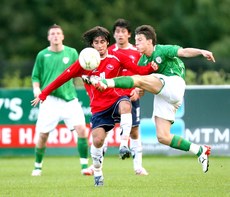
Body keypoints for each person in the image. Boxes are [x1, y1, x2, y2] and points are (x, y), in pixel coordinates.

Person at [30, 26, 155, 186]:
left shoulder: (117, 57)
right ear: (92, 45)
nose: (100, 45)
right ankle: (97, 171)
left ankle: (124, 144)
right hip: (99, 108)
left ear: (107, 43)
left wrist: (151, 68)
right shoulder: (84, 62)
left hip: (116, 99)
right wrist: (43, 93)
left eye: (103, 42)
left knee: (126, 104)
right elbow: (62, 77)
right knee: (97, 141)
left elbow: (137, 70)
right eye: (96, 42)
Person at [92, 25, 215, 173]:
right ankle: (200, 150)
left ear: (149, 41)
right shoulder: (143, 62)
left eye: (139, 40)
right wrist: (137, 91)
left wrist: (201, 51)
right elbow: (142, 85)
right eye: (136, 40)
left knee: (139, 78)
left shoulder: (161, 50)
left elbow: (184, 51)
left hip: (174, 84)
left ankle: (106, 83)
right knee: (163, 137)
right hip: (164, 95)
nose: (136, 43)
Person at [31, 24, 92, 176]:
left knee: (82, 130)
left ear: (63, 36)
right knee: (43, 135)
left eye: (58, 33)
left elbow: (81, 70)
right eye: (52, 33)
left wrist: (89, 79)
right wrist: (36, 90)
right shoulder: (42, 55)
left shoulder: (72, 52)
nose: (56, 36)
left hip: (69, 99)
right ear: (48, 37)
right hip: (49, 101)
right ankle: (37, 166)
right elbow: (35, 76)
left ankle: (84, 166)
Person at [107, 18, 148, 175]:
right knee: (104, 130)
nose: (120, 34)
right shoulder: (109, 51)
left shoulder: (137, 53)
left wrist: (138, 89)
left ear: (129, 34)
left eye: (123, 31)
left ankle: (138, 166)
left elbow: (143, 74)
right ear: (114, 34)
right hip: (112, 97)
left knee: (134, 131)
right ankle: (96, 165)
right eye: (117, 31)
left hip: (131, 96)